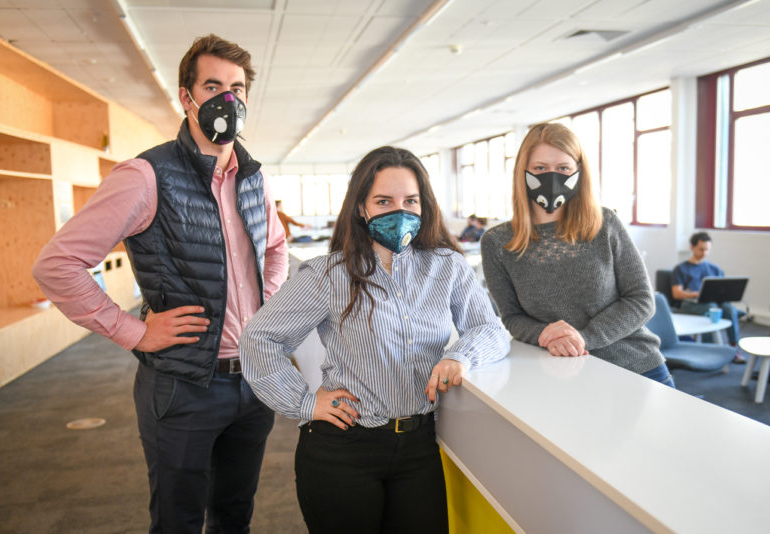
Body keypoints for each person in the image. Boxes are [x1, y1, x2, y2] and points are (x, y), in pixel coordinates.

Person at [32, 34, 288, 533]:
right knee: (179, 522)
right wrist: (133, 331)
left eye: (236, 89)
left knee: (235, 517)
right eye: (213, 86)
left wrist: (269, 306)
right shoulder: (146, 176)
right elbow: (56, 264)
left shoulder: (254, 179)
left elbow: (275, 249)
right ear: (186, 97)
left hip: (255, 380)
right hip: (184, 385)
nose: (226, 101)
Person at [240, 146, 509, 534]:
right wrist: (302, 401)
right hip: (344, 450)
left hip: (419, 447)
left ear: (424, 206)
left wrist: (460, 357)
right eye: (384, 201)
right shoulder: (327, 274)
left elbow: (490, 329)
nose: (399, 211)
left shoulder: (446, 266)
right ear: (362, 208)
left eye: (410, 200)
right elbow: (259, 339)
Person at [481, 122, 674, 387]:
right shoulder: (498, 242)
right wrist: (545, 333)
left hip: (635, 367)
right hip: (559, 374)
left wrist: (584, 337)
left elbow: (641, 300)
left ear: (578, 172)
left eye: (563, 168)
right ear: (522, 172)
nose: (552, 177)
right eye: (540, 168)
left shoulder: (605, 223)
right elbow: (512, 318)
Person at [671, 232, 744, 360]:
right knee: (711, 308)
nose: (704, 253)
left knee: (728, 308)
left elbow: (723, 289)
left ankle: (734, 347)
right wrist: (695, 294)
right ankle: (709, 350)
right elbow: (677, 294)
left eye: (707, 250)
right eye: (701, 249)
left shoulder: (714, 269)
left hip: (713, 301)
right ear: (692, 247)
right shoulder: (681, 269)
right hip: (690, 304)